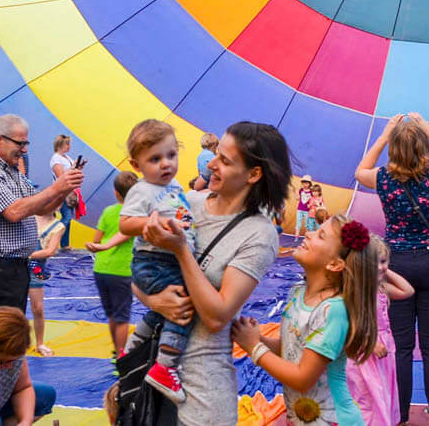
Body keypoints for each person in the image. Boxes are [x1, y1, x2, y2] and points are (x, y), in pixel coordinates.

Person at [134, 120, 289, 426]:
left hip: (203, 390)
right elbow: (139, 274)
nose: (212, 164)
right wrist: (156, 302)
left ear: (253, 175)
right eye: (217, 154)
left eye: (225, 161)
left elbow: (217, 316)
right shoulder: (186, 202)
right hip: (152, 371)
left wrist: (181, 250)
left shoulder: (258, 234)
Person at [355, 113, 429, 426]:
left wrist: (385, 133)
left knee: (402, 347)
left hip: (396, 266)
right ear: (422, 146)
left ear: (393, 147)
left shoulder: (382, 178)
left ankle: (399, 414)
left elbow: (359, 170)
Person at [235, 215, 378, 426]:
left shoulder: (332, 310)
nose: (308, 233)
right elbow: (289, 350)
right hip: (305, 418)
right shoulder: (297, 293)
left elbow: (303, 379)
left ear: (335, 264)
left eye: (320, 235)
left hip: (333, 419)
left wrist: (254, 347)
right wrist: (256, 339)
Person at [0, 114, 83, 314]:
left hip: (15, 266)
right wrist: (57, 188)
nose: (25, 149)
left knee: (10, 331)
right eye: (20, 143)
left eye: (26, 143)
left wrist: (65, 189)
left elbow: (41, 208)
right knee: (1, 333)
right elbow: (14, 211)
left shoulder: (12, 171)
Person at [117, 119, 198, 401]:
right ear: (137, 165)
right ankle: (165, 367)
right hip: (154, 262)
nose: (166, 164)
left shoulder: (174, 185)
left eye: (171, 155)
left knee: (164, 309)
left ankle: (134, 345)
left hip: (168, 259)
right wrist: (147, 226)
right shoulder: (142, 190)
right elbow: (125, 223)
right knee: (185, 304)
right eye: (155, 159)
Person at [347, 235, 414, 425]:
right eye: (372, 263)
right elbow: (351, 322)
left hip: (384, 351)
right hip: (364, 350)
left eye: (383, 261)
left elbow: (408, 291)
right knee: (367, 398)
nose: (379, 267)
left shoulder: (382, 287)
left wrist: (386, 270)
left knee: (383, 394)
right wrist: (369, 343)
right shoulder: (358, 290)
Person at [87, 170, 139, 357]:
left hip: (101, 268)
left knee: (111, 315)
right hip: (122, 270)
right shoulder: (136, 215)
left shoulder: (108, 212)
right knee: (122, 317)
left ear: (116, 192)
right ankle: (120, 356)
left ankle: (116, 351)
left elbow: (97, 239)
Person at [27, 213, 65, 356]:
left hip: (35, 268)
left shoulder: (58, 226)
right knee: (14, 305)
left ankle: (40, 343)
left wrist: (26, 254)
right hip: (17, 266)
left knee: (38, 308)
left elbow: (50, 251)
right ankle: (14, 339)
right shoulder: (30, 217)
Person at [48, 135, 76, 249]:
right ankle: (52, 237)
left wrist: (77, 167)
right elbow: (61, 176)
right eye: (67, 144)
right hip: (62, 191)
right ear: (60, 145)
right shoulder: (56, 159)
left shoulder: (67, 158)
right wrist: (73, 168)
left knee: (68, 218)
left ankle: (64, 244)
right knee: (67, 217)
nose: (69, 146)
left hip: (70, 190)